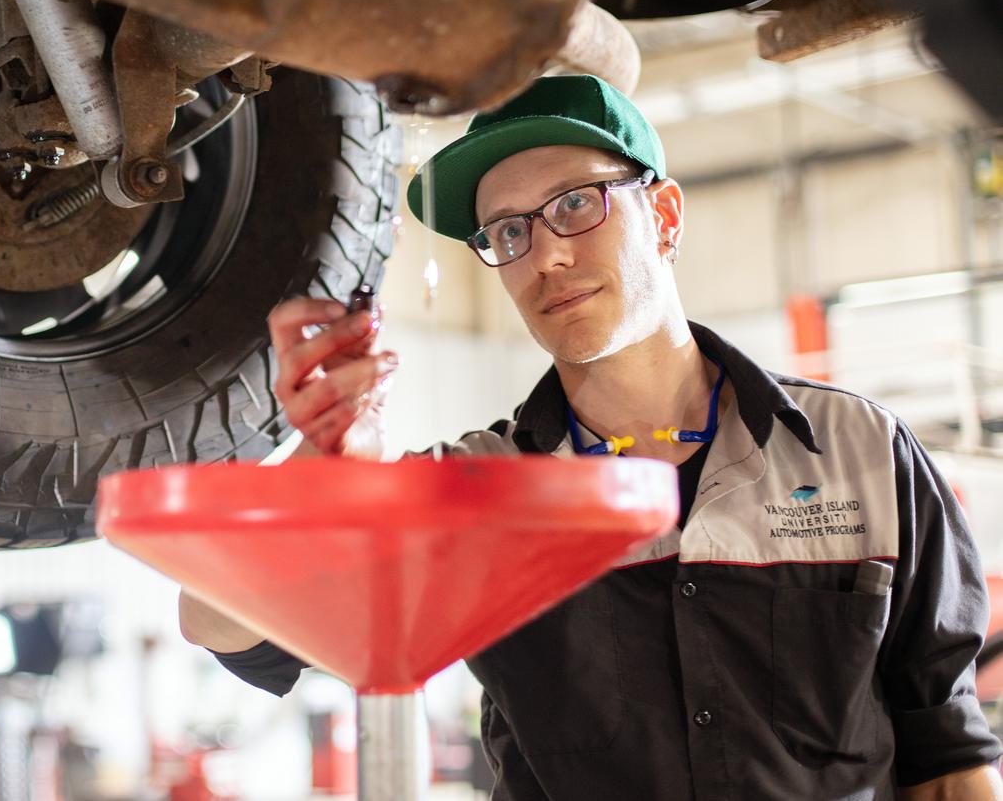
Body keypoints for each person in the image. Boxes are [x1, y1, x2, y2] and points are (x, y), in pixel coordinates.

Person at [178, 75, 1003, 799]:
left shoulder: (858, 448)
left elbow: (948, 753)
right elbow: (218, 621)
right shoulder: (477, 492)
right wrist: (317, 479)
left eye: (576, 204)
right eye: (507, 233)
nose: (546, 258)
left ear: (666, 215)